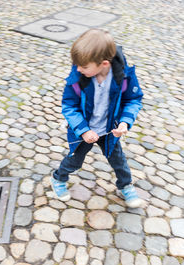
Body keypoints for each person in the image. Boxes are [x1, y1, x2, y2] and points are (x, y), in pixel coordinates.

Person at [51, 28, 143, 208]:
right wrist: (83, 130)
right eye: (77, 65)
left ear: (104, 64)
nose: (78, 69)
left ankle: (125, 185)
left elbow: (132, 100)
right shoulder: (78, 77)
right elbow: (69, 106)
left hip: (110, 130)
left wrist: (125, 122)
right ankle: (58, 178)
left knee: (119, 161)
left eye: (84, 66)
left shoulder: (124, 77)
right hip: (85, 131)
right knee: (75, 160)